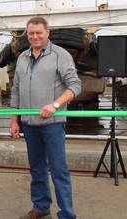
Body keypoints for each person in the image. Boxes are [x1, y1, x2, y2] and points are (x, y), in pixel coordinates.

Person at [10, 17, 81, 219]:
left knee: (59, 170)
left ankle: (67, 214)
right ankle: (41, 207)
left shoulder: (60, 55)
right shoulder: (22, 57)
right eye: (31, 33)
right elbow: (15, 90)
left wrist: (55, 105)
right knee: (37, 169)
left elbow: (75, 86)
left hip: (52, 124)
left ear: (47, 32)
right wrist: (14, 120)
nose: (34, 36)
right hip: (29, 125)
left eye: (39, 32)